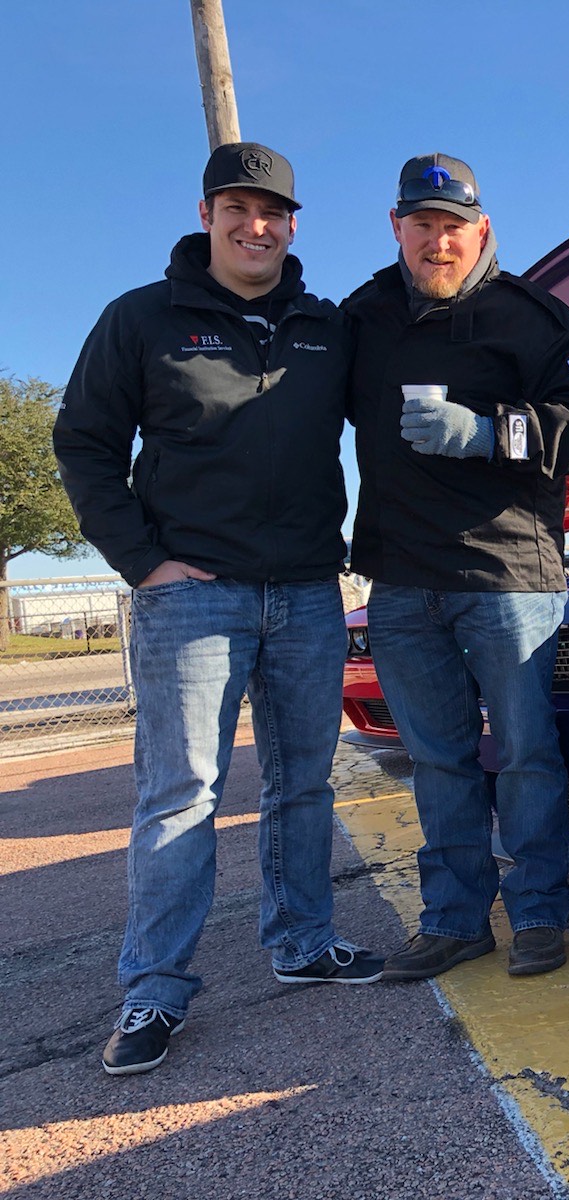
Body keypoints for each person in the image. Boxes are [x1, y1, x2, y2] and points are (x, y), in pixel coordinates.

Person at [54, 141, 382, 1077]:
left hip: (311, 595)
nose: (256, 226)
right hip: (192, 599)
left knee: (305, 783)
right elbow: (84, 439)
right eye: (237, 208)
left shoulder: (327, 327)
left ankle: (304, 943)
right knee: (181, 796)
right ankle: (153, 990)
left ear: (293, 222)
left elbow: (397, 423)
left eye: (274, 211)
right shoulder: (145, 318)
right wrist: (142, 562)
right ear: (206, 216)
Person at [344, 154, 569, 982]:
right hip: (399, 580)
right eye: (421, 225)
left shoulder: (533, 318)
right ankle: (455, 921)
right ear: (396, 227)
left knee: (527, 751)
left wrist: (486, 430)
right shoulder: (360, 318)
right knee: (436, 760)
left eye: (453, 227)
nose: (438, 243)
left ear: (483, 229)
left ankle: (537, 912)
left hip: (509, 576)